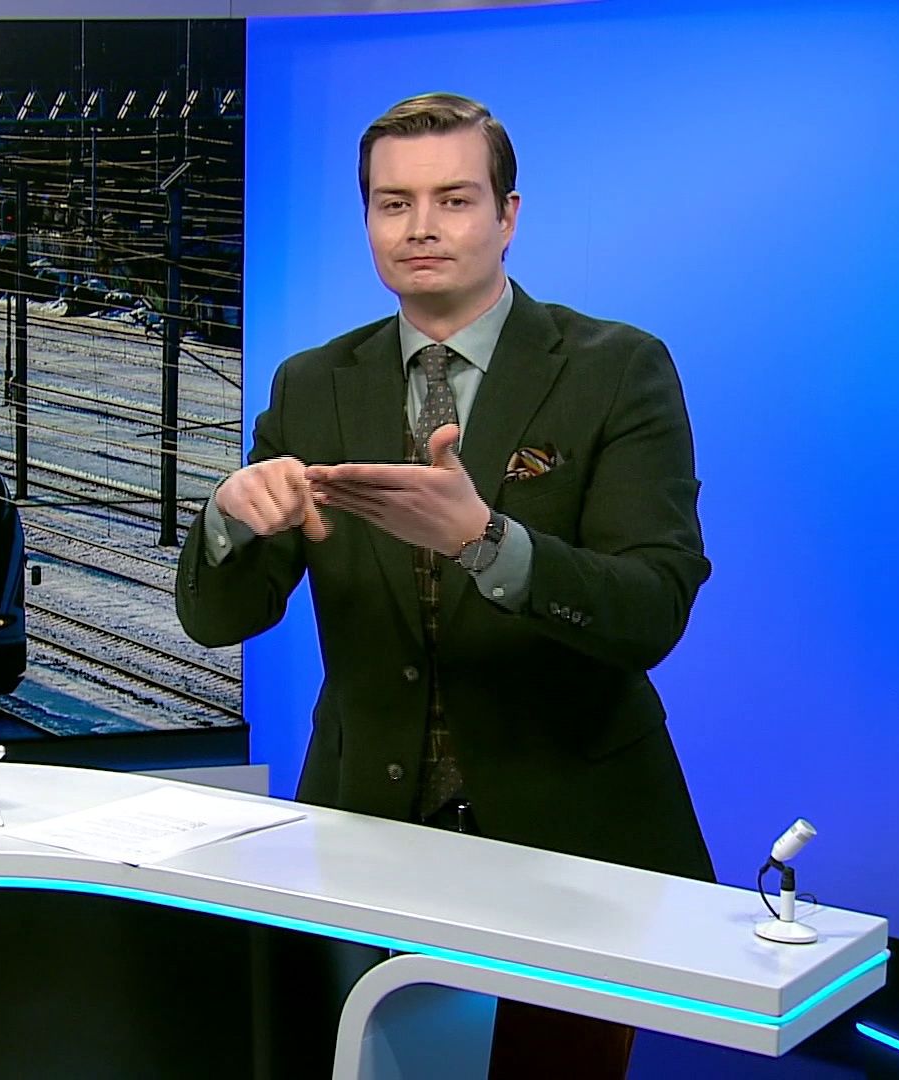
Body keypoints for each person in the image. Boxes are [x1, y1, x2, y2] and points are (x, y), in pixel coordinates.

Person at [176, 92, 714, 1078]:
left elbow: (652, 607)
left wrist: (485, 542)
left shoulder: (617, 369)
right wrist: (227, 518)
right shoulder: (313, 384)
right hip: (364, 842)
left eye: (454, 200)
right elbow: (220, 617)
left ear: (508, 216)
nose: (420, 227)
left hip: (572, 851)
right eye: (394, 204)